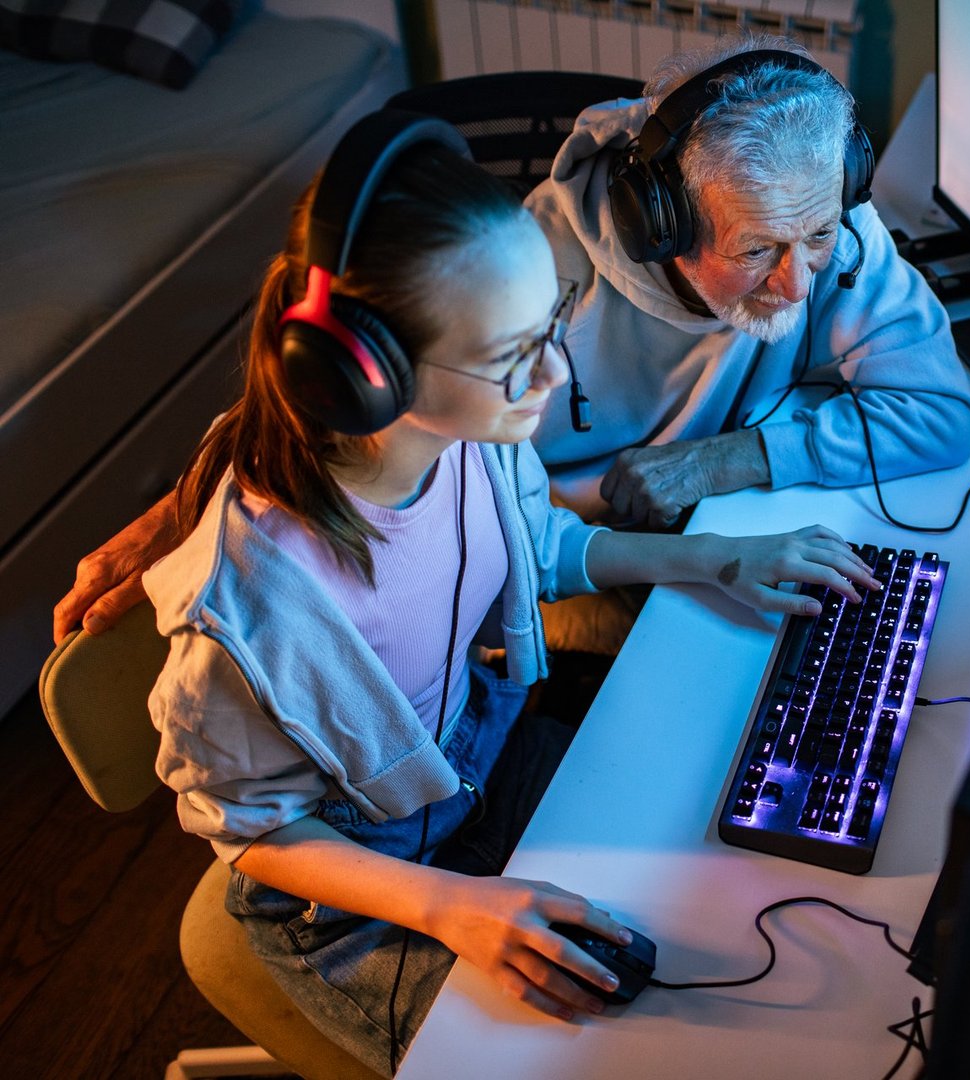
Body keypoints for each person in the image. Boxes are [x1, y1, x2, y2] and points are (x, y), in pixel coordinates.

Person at [145, 110, 880, 1075]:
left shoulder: (470, 443)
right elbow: (257, 830)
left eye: (549, 330)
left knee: (723, 882)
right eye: (511, 357)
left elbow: (538, 548)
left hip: (481, 750)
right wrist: (456, 908)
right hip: (356, 889)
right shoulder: (248, 617)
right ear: (366, 378)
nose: (555, 374)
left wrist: (713, 558)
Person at [53, 34, 970, 653]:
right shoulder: (536, 278)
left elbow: (939, 414)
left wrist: (727, 458)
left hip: (701, 524)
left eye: (818, 238)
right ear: (659, 222)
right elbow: (345, 387)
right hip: (561, 551)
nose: (800, 283)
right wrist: (175, 515)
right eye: (757, 252)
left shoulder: (820, 218)